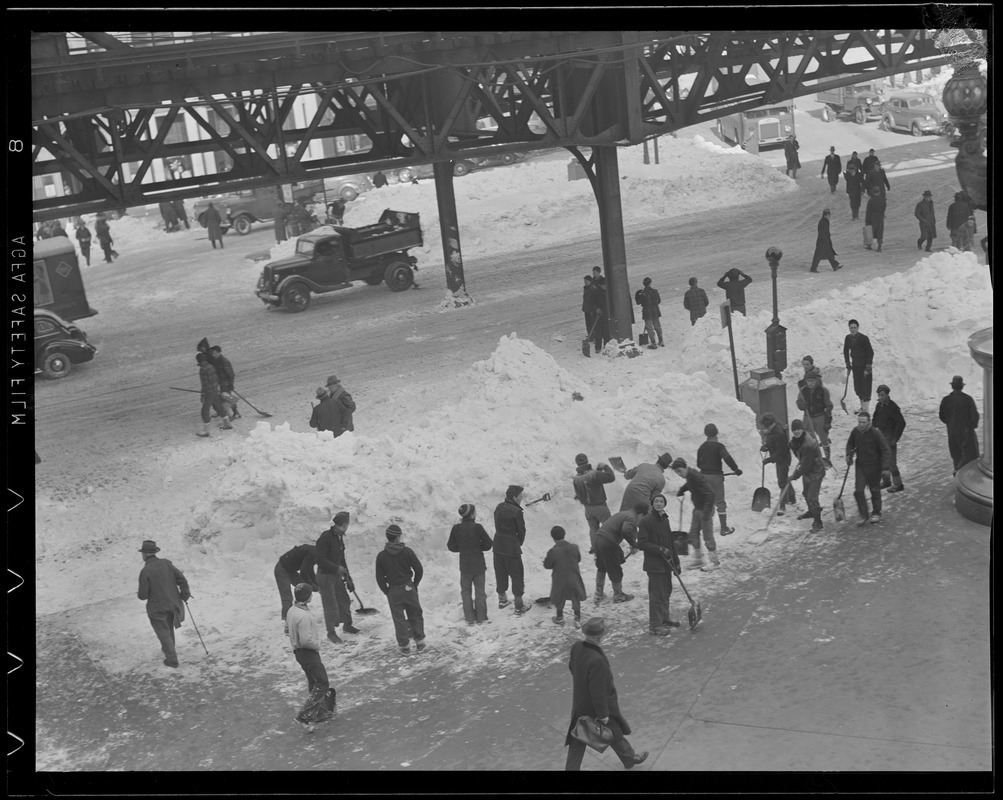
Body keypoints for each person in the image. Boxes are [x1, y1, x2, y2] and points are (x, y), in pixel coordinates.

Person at [564, 617, 648, 771]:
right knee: (613, 732)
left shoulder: (577, 647)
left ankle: (629, 759)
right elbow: (598, 691)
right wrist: (603, 714)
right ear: (599, 637)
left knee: (579, 740)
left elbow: (572, 669)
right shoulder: (597, 660)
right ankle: (630, 758)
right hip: (598, 707)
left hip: (580, 704)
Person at [287, 583, 335, 733]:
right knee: (322, 682)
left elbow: (287, 629)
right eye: (310, 593)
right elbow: (306, 640)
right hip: (308, 652)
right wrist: (317, 645)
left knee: (313, 681)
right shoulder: (304, 616)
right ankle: (304, 716)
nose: (312, 595)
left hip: (299, 653)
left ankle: (319, 712)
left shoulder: (292, 610)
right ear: (307, 597)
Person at [136, 539, 190, 668]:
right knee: (168, 629)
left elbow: (142, 596)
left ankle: (172, 659)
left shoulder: (145, 571)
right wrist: (185, 594)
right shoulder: (167, 564)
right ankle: (169, 651)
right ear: (154, 552)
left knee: (163, 632)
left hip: (157, 608)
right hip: (173, 603)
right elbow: (182, 580)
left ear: (144, 554)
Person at [375, 523, 426, 655]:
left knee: (399, 619)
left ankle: (404, 647)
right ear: (398, 537)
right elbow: (419, 569)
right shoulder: (407, 552)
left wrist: (386, 591)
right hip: (409, 587)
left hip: (393, 590)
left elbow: (379, 577)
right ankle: (420, 642)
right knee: (415, 614)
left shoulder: (381, 556)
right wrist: (415, 584)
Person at [635, 494, 681, 636]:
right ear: (652, 503)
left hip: (667, 564)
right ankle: (655, 626)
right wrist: (660, 549)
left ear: (664, 504)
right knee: (656, 595)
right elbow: (642, 543)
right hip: (654, 565)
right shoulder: (646, 521)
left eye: (661, 501)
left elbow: (671, 543)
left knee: (666, 591)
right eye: (656, 501)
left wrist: (677, 562)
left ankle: (664, 619)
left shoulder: (664, 519)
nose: (659, 504)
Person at [447, 503, 493, 625]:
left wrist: (462, 548)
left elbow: (451, 546)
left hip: (465, 565)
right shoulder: (478, 527)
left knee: (466, 591)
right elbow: (488, 544)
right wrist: (478, 547)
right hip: (478, 564)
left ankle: (470, 618)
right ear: (472, 514)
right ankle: (481, 617)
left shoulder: (456, 529)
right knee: (480, 591)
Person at [672, 458, 720, 571]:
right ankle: (699, 560)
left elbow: (711, 494)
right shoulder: (690, 476)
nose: (679, 474)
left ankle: (715, 562)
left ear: (685, 467)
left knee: (708, 537)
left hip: (705, 510)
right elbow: (690, 484)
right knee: (693, 535)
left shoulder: (696, 476)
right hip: (698, 509)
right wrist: (682, 489)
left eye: (679, 471)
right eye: (676, 472)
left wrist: (707, 513)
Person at [845, 411, 892, 525]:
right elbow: (850, 444)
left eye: (864, 422)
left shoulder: (875, 433)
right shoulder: (855, 432)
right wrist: (848, 454)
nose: (861, 424)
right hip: (860, 465)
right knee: (858, 491)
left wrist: (885, 468)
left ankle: (876, 512)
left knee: (874, 490)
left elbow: (885, 450)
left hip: (874, 466)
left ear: (869, 422)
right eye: (859, 422)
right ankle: (864, 514)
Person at [696, 423, 742, 536]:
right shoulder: (719, 446)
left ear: (706, 434)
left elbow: (698, 464)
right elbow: (727, 458)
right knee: (720, 502)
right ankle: (724, 528)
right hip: (716, 477)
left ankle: (704, 528)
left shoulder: (701, 447)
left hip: (704, 477)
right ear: (716, 433)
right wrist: (736, 469)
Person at [594, 503, 646, 603]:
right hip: (608, 541)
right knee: (615, 568)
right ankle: (618, 595)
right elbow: (626, 531)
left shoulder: (625, 514)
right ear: (640, 514)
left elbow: (627, 530)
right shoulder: (632, 517)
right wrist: (634, 544)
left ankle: (598, 594)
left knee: (602, 566)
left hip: (599, 538)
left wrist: (632, 544)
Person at [315, 513, 351, 644]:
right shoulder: (326, 537)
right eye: (347, 524)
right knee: (330, 605)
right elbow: (319, 559)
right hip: (325, 576)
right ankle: (331, 632)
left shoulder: (339, 537)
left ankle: (347, 625)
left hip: (336, 575)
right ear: (344, 524)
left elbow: (341, 558)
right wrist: (337, 568)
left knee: (344, 600)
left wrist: (348, 577)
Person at [493, 484, 528, 613]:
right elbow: (521, 531)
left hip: (498, 545)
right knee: (517, 574)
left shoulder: (499, 508)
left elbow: (496, 525)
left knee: (500, 572)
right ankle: (519, 605)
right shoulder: (517, 512)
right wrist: (517, 543)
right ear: (514, 497)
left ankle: (502, 600)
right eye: (520, 496)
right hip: (512, 548)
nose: (522, 498)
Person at [572, 453, 615, 554]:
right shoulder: (594, 474)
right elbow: (611, 477)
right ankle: (612, 546)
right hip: (600, 506)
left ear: (577, 463)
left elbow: (578, 493)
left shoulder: (576, 478)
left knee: (593, 529)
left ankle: (595, 548)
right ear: (587, 461)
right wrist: (605, 466)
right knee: (609, 527)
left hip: (588, 509)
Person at [544, 526, 587, 626]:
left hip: (560, 579)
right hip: (574, 578)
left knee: (560, 597)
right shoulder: (574, 548)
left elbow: (547, 565)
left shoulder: (553, 551)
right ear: (564, 534)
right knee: (575, 597)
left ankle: (559, 617)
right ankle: (577, 618)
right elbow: (578, 559)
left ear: (553, 537)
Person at [939, 375, 980, 475]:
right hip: (966, 431)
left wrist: (950, 424)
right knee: (970, 454)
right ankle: (968, 477)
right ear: (962, 386)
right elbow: (974, 416)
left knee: (956, 453)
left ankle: (957, 471)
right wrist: (972, 425)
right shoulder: (968, 399)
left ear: (952, 386)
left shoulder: (946, 400)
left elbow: (942, 416)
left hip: (952, 431)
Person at [789, 424, 826, 532]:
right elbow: (801, 457)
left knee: (812, 498)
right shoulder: (798, 440)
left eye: (798, 429)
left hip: (816, 472)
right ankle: (811, 511)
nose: (796, 431)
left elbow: (805, 464)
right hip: (808, 472)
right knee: (806, 493)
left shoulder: (807, 444)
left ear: (802, 429)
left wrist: (794, 476)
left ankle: (818, 522)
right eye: (794, 429)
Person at [275, 543, 318, 632]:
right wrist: (313, 586)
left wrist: (316, 585)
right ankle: (288, 627)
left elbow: (310, 572)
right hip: (281, 569)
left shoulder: (315, 552)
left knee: (304, 591)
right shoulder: (313, 553)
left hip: (291, 570)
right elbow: (304, 572)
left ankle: (301, 617)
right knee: (287, 598)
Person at [872, 384, 906, 493]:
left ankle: (898, 484)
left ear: (887, 395)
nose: (880, 397)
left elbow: (901, 423)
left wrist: (895, 438)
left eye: (882, 395)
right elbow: (875, 417)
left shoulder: (893, 407)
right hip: (880, 435)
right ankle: (886, 481)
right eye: (879, 395)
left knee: (891, 462)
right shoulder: (879, 405)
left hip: (889, 436)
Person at [759, 412, 794, 514]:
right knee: (784, 477)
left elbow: (781, 452)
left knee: (782, 482)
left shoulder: (779, 434)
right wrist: (766, 447)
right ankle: (791, 498)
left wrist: (769, 460)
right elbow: (771, 441)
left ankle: (782, 506)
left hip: (783, 459)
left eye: (765, 426)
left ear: (769, 424)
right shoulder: (773, 430)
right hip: (780, 458)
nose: (764, 428)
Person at [796, 369, 834, 464]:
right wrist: (801, 405)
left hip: (820, 416)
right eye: (808, 381)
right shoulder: (803, 391)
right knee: (809, 438)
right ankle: (814, 457)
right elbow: (799, 401)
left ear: (816, 381)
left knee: (823, 438)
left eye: (812, 381)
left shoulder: (823, 390)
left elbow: (829, 405)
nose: (810, 383)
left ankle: (827, 457)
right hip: (807, 417)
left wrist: (828, 420)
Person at [195, 352, 232, 437]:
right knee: (218, 407)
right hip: (215, 390)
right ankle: (228, 424)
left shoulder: (203, 369)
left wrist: (203, 395)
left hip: (209, 392)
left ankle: (206, 431)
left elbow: (204, 384)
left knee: (204, 410)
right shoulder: (211, 366)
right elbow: (216, 379)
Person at [843, 319, 874, 414]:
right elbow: (845, 351)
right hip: (856, 367)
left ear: (858, 328)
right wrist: (848, 364)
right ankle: (862, 407)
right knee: (858, 388)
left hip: (865, 367)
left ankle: (866, 410)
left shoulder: (864, 338)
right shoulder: (848, 338)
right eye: (851, 328)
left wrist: (868, 367)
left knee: (866, 388)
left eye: (854, 328)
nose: (853, 329)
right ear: (849, 328)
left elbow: (870, 352)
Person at [208, 345, 240, 420]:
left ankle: (234, 413)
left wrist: (231, 384)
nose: (213, 355)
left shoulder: (224, 361)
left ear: (219, 352)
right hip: (219, 382)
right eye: (212, 353)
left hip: (225, 383)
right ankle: (223, 412)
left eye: (215, 353)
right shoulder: (216, 360)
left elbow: (230, 373)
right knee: (224, 398)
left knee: (227, 398)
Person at [583, 278, 609, 354]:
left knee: (606, 332)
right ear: (601, 285)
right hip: (597, 316)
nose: (605, 286)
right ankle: (598, 348)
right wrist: (596, 309)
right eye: (604, 285)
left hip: (606, 315)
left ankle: (606, 347)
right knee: (598, 332)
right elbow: (591, 303)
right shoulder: (595, 292)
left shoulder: (608, 292)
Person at [638, 277, 664, 348]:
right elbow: (659, 301)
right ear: (650, 283)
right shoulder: (655, 291)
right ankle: (661, 340)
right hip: (655, 310)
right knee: (657, 326)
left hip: (647, 312)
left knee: (650, 328)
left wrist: (637, 294)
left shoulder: (643, 294)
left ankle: (653, 342)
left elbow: (638, 302)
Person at [864, 187, 887, 252]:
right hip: (880, 217)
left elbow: (868, 211)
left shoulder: (871, 201)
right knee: (880, 231)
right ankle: (879, 247)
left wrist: (867, 220)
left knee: (870, 230)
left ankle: (869, 245)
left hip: (872, 217)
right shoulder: (883, 200)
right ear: (879, 192)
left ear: (873, 193)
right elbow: (883, 208)